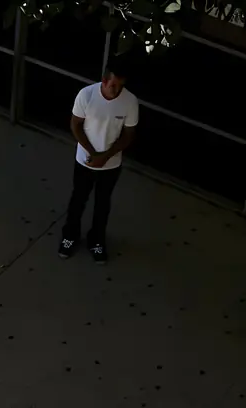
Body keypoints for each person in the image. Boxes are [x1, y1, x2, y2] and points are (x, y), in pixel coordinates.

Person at [58, 60, 139, 265]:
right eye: (113, 85)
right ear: (104, 81)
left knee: (103, 203)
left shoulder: (130, 101)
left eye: (121, 86)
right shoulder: (86, 95)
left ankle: (97, 240)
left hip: (111, 165)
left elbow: (128, 134)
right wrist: (93, 153)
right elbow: (75, 125)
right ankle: (70, 236)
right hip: (84, 160)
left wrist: (106, 156)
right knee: (78, 199)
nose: (117, 90)